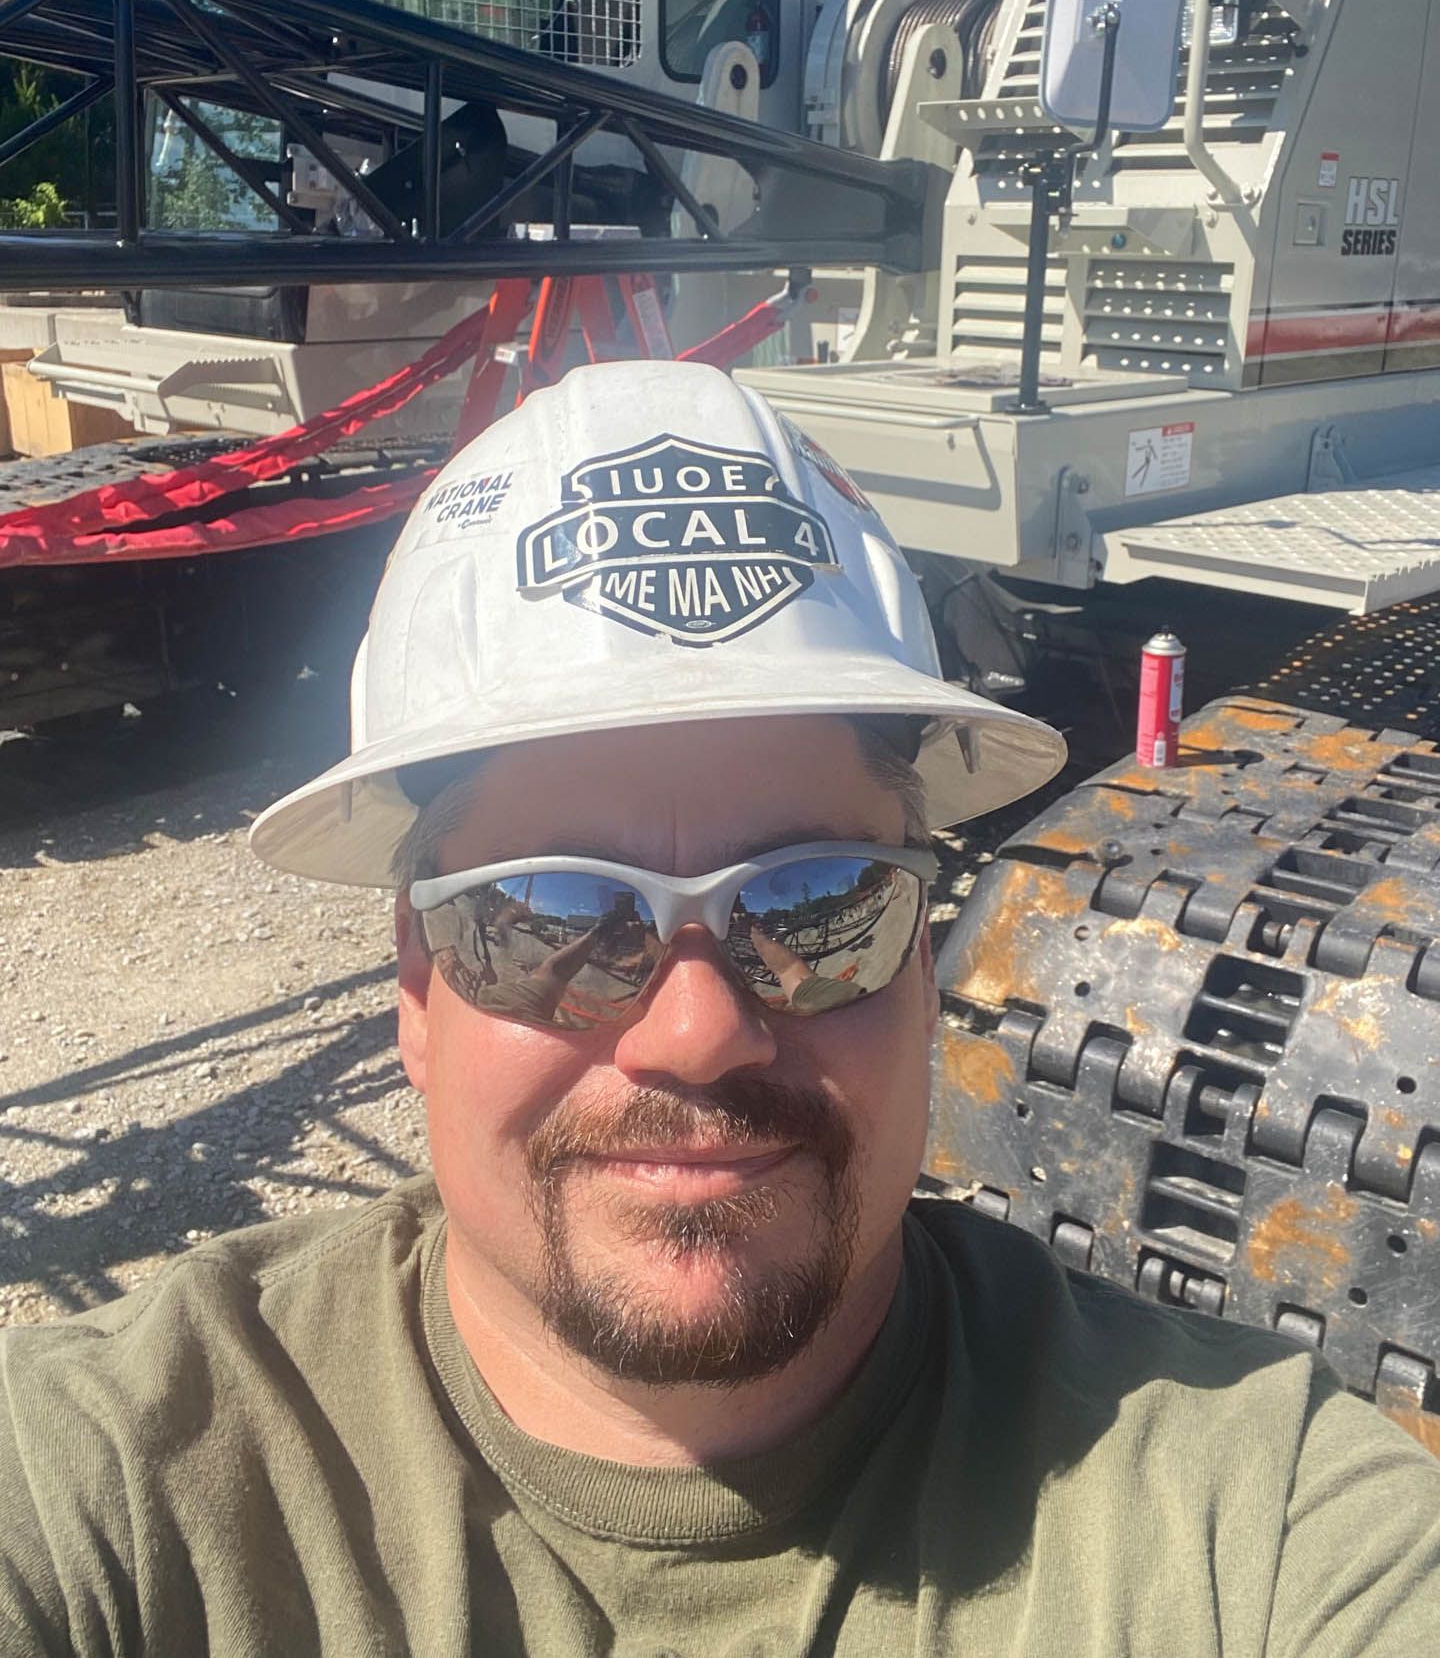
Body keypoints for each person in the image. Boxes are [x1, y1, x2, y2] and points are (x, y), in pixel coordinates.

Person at [1, 361, 1437, 1657]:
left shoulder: (1243, 1507)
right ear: (418, 990)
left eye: (816, 905)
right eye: (551, 918)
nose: (696, 1033)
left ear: (926, 964)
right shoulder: (126, 1478)